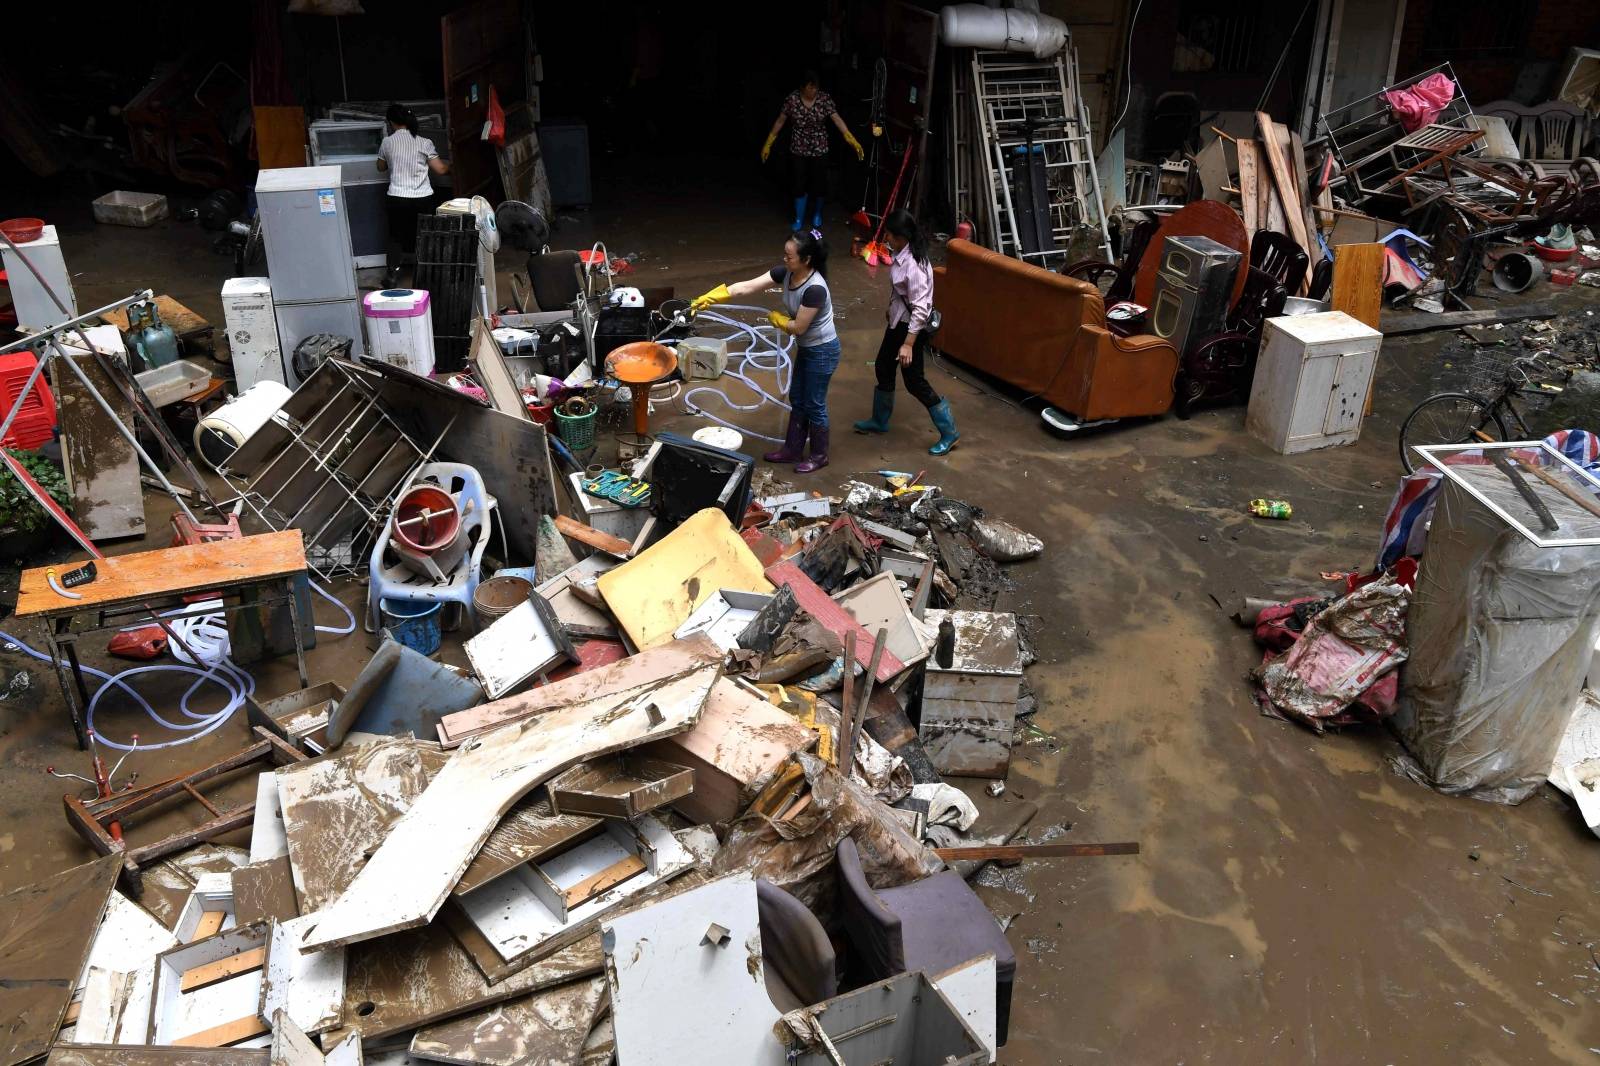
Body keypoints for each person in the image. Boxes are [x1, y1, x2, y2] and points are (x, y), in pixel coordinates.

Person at [692, 230, 839, 473]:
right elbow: (747, 287)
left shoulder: (815, 289)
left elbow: (799, 327)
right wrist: (713, 296)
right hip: (808, 348)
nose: (784, 260)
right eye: (784, 254)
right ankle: (792, 450)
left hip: (822, 350)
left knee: (814, 403)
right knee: (798, 398)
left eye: (790, 257)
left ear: (807, 260)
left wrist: (778, 320)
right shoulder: (787, 274)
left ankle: (819, 455)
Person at [854, 209, 959, 455]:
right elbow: (902, 291)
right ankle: (880, 421)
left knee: (914, 381)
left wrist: (908, 344)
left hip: (912, 328)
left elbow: (921, 309)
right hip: (899, 322)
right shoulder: (903, 253)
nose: (886, 238)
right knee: (883, 366)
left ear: (901, 236)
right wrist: (891, 309)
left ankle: (949, 432)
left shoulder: (915, 265)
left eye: (889, 234)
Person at [761, 70, 864, 233]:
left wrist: (850, 138)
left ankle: (817, 214)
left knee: (819, 183)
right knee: (799, 183)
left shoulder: (824, 99)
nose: (814, 91)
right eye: (810, 88)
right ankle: (799, 218)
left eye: (816, 87)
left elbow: (836, 119)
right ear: (802, 88)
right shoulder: (792, 100)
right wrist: (768, 143)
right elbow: (780, 121)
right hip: (798, 148)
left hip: (820, 147)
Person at [375, 104, 450, 286]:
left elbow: (380, 167)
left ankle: (392, 274)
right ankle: (428, 274)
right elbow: (440, 170)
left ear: (391, 122)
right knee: (425, 234)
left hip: (397, 197)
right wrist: (452, 166)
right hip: (423, 198)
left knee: (395, 236)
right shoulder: (425, 143)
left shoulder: (387, 142)